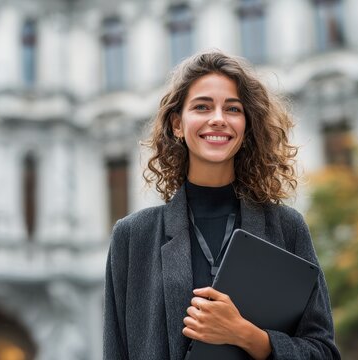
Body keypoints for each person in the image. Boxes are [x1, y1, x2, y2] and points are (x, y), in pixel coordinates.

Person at [103, 50, 341, 360]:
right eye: (202, 106)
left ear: (246, 126)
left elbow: (323, 352)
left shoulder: (286, 227)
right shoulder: (133, 236)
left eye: (232, 109)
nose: (218, 119)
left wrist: (249, 337)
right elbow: (115, 352)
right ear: (177, 123)